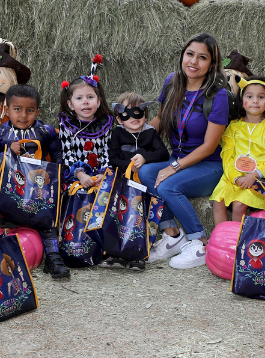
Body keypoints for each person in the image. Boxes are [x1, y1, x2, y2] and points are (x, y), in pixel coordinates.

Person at [139, 33, 228, 269]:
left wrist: (173, 167)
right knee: (145, 172)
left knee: (169, 185)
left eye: (202, 57)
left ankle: (198, 241)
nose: (193, 62)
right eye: (190, 54)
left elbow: (209, 145)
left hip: (209, 165)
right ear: (182, 55)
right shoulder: (172, 82)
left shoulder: (216, 95)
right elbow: (160, 118)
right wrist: (137, 138)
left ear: (211, 64)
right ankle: (172, 234)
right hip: (178, 157)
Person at [0, 84, 69, 279]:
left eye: (30, 110)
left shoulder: (46, 131)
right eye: (17, 109)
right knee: (4, 218)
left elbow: (58, 157)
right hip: (12, 189)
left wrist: (59, 179)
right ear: (7, 109)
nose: (23, 115)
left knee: (47, 220)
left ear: (37, 111)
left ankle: (53, 258)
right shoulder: (0, 134)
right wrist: (7, 154)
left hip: (39, 187)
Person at [209, 76, 265, 225]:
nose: (255, 101)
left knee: (239, 204)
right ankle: (220, 240)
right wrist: (235, 177)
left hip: (261, 178)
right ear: (241, 101)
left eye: (261, 97)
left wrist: (255, 175)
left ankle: (238, 241)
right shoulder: (233, 127)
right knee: (218, 201)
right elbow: (227, 155)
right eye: (249, 96)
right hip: (232, 176)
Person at [103, 91, 169, 270]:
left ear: (145, 115)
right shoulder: (117, 134)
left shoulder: (150, 133)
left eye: (138, 112)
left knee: (141, 217)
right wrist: (128, 167)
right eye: (127, 113)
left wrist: (145, 158)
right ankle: (116, 253)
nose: (133, 117)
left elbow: (163, 153)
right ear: (119, 118)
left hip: (144, 185)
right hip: (123, 183)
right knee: (119, 215)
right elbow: (113, 157)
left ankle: (138, 253)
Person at [56, 57, 113, 188]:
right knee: (76, 194)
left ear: (98, 102)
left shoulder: (105, 125)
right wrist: (80, 174)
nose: (85, 101)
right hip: (75, 174)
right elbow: (67, 153)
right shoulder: (66, 126)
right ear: (70, 104)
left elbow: (107, 151)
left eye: (90, 97)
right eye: (79, 98)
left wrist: (103, 173)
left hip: (99, 173)